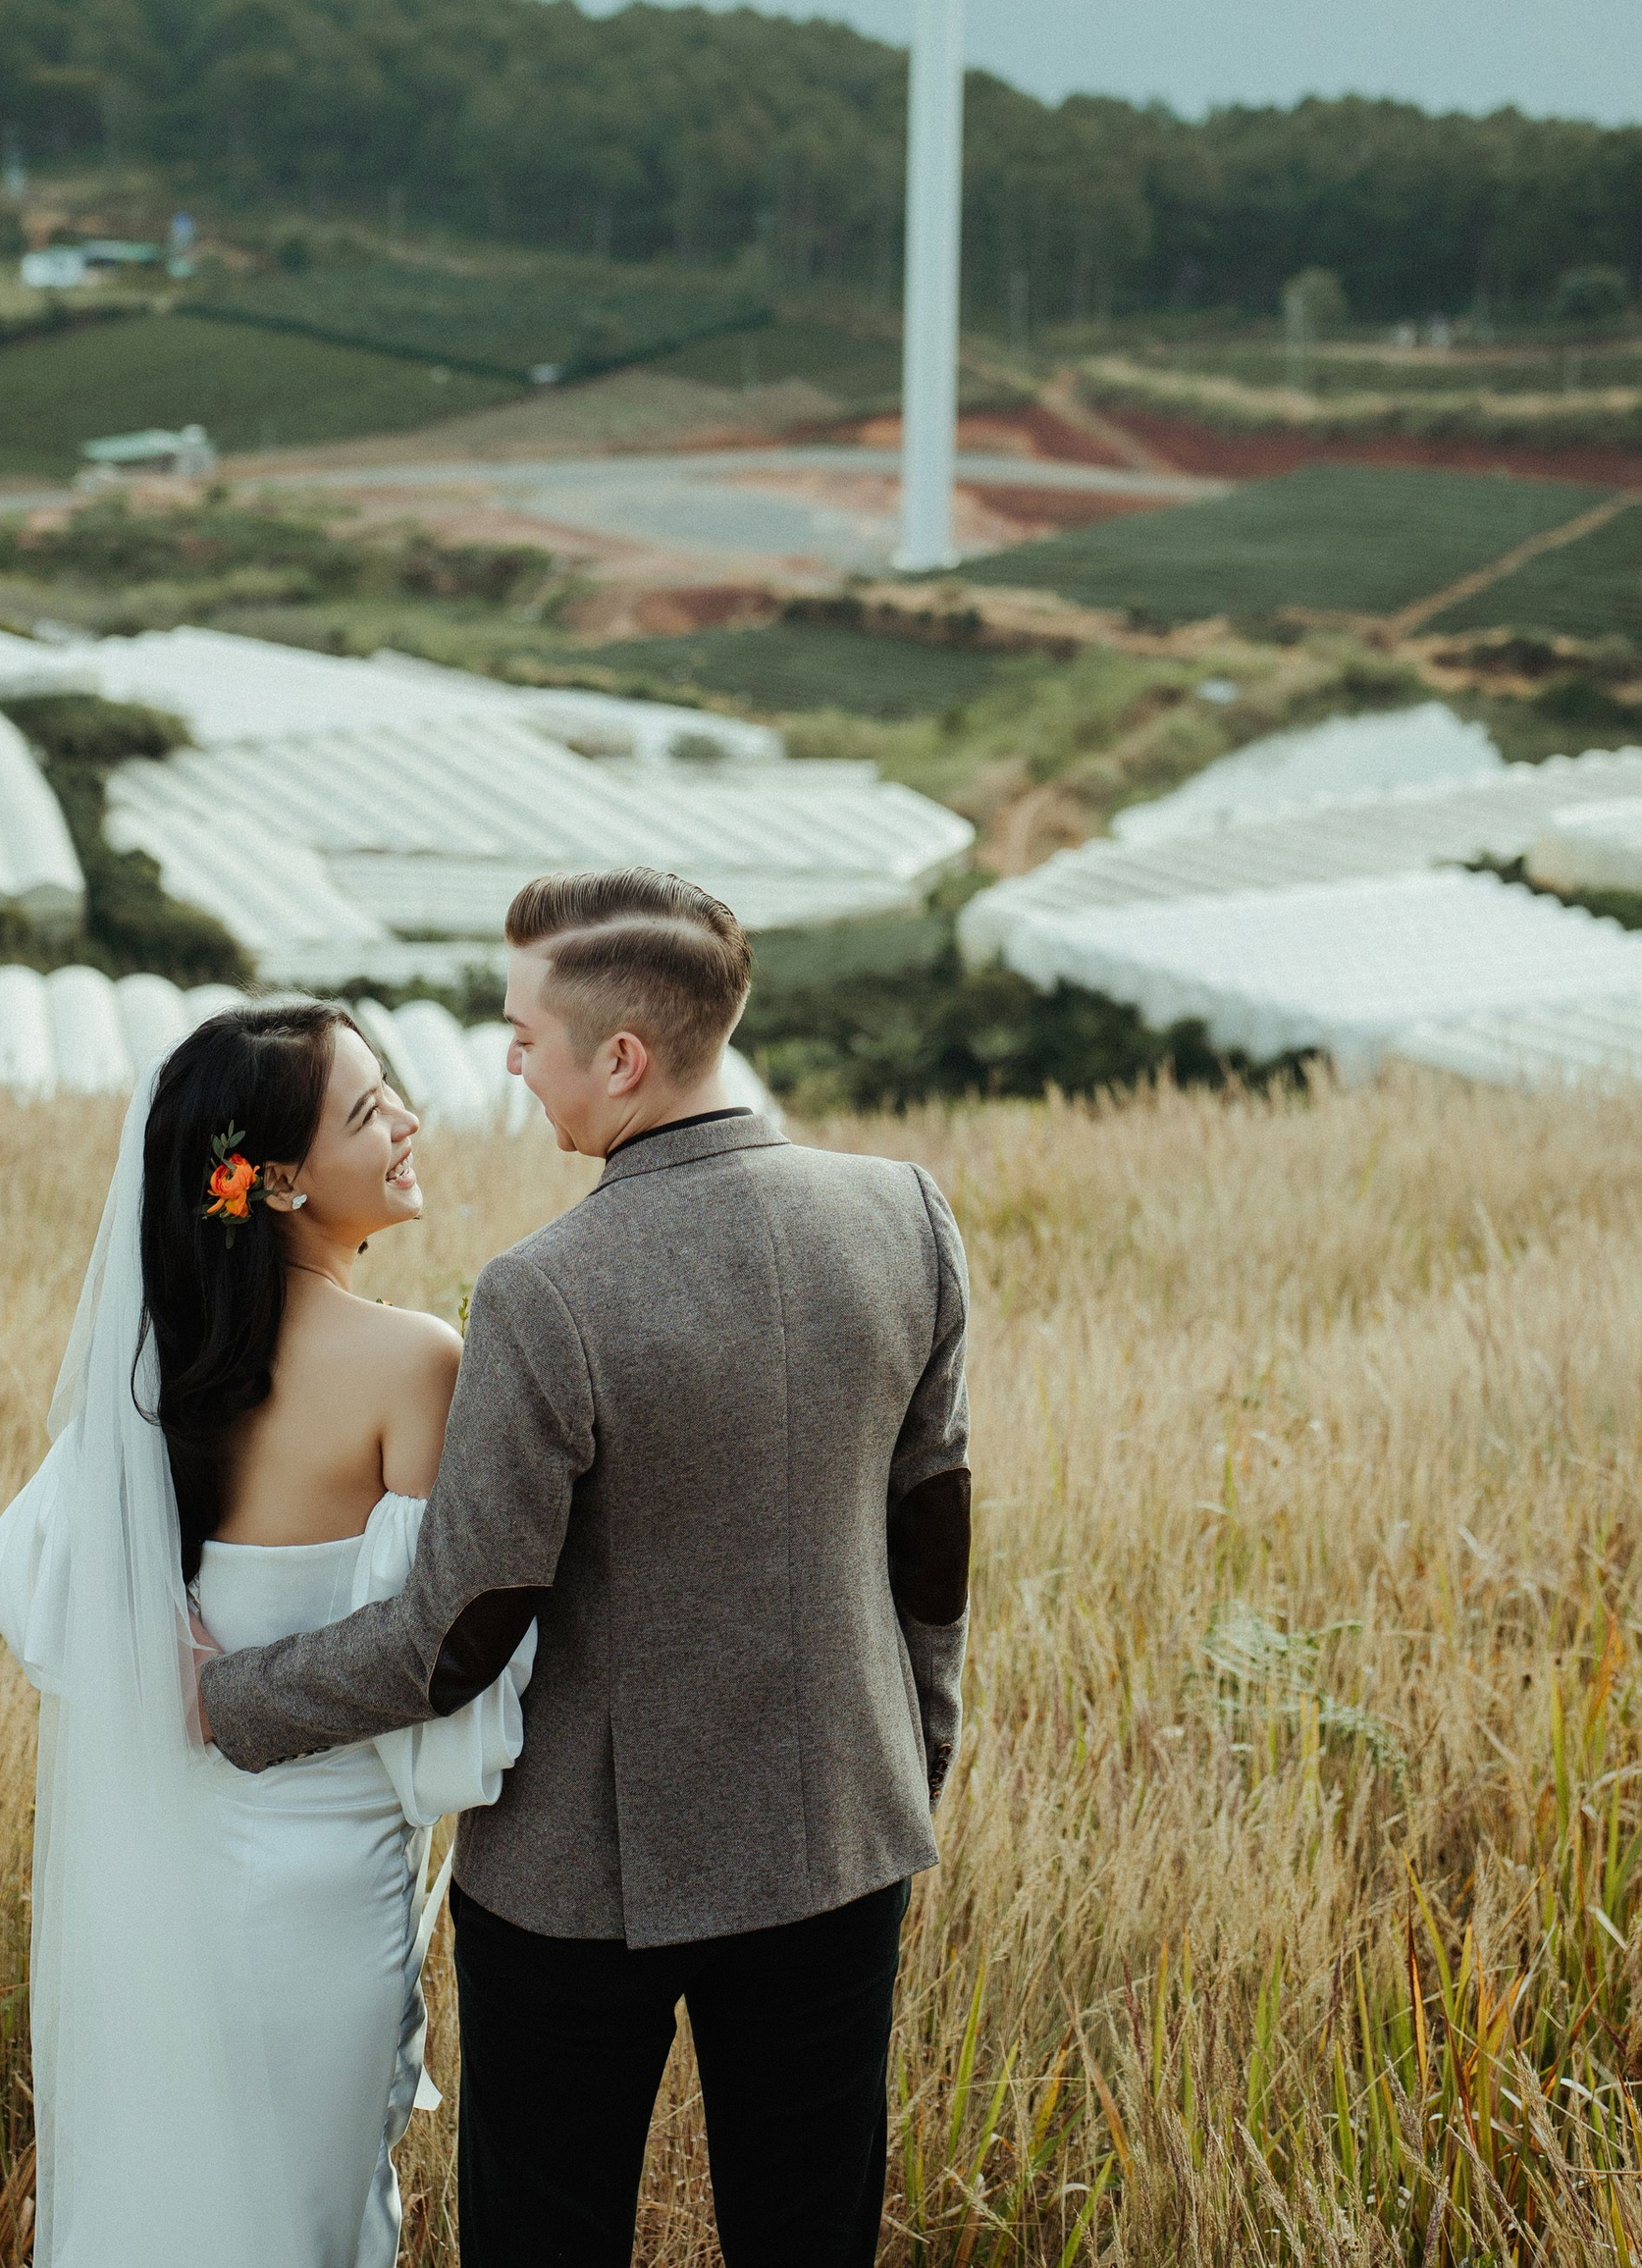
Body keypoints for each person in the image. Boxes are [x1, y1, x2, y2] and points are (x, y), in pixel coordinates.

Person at [201, 869, 973, 2268]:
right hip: (846, 1838)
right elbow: (933, 1533)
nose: (505, 1056)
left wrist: (238, 1696)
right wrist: (913, 1750)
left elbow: (461, 1627)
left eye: (523, 1029)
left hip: (582, 1883)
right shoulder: (905, 1214)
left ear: (619, 1059)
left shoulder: (545, 1288)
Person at [0, 999, 533, 2268]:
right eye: (367, 1107)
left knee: (167, 2206)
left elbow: (29, 1583)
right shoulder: (413, 1361)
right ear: (276, 1177)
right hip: (323, 1879)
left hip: (157, 1874)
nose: (408, 1121)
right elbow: (449, 1653)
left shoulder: (161, 1363)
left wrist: (162, 1662)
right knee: (308, 2218)